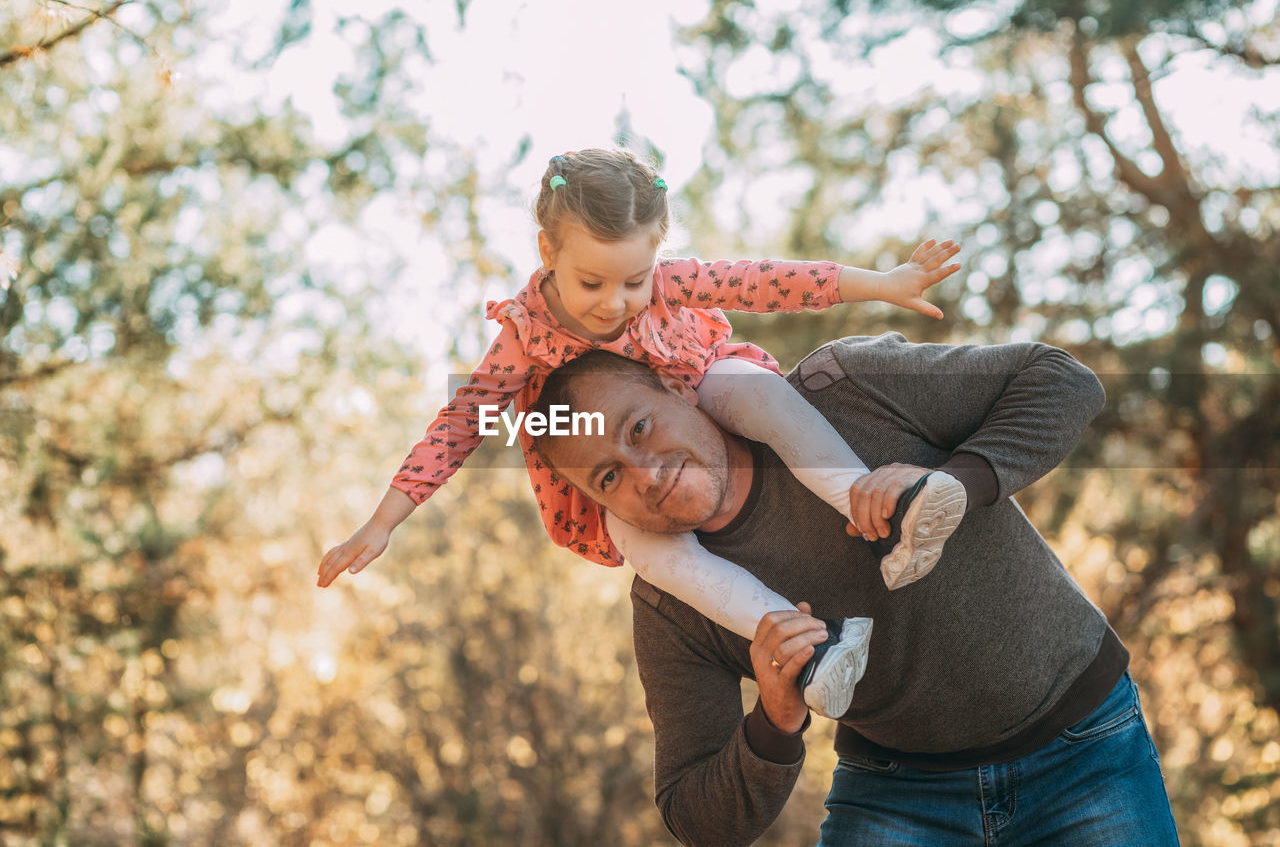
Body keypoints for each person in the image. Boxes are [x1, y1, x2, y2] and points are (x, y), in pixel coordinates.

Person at [316, 147, 969, 719]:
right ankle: (813, 649)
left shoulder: (669, 282)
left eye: (633, 280)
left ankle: (887, 509)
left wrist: (882, 283)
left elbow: (768, 280)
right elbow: (461, 424)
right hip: (623, 457)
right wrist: (382, 522)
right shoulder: (523, 336)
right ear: (548, 252)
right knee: (643, 543)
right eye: (591, 282)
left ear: (656, 249)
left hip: (700, 389)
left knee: (755, 390)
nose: (614, 301)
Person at [529, 335, 1180, 846]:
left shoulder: (846, 387)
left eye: (639, 428)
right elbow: (696, 814)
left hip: (1086, 744)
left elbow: (1063, 380)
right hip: (901, 791)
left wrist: (957, 482)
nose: (643, 473)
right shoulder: (672, 606)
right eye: (609, 476)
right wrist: (775, 720)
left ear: (678, 384)